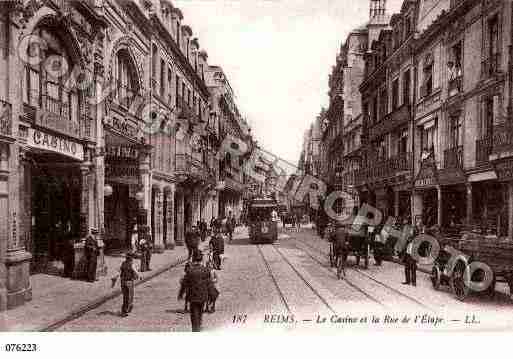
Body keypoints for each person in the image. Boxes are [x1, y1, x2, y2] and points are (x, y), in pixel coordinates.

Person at [178, 250, 210, 332]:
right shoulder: (206, 270)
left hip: (192, 296)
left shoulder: (190, 271)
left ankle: (195, 329)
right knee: (200, 311)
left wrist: (181, 294)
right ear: (201, 259)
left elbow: (184, 283)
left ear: (193, 259)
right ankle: (198, 326)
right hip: (203, 296)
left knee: (194, 314)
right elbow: (209, 284)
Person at [112, 252, 140, 317]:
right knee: (130, 296)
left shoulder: (123, 263)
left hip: (123, 282)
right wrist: (139, 276)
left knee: (125, 296)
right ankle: (126, 310)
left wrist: (114, 279)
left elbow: (118, 272)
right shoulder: (132, 264)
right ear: (131, 258)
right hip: (129, 282)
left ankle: (126, 309)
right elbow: (136, 272)